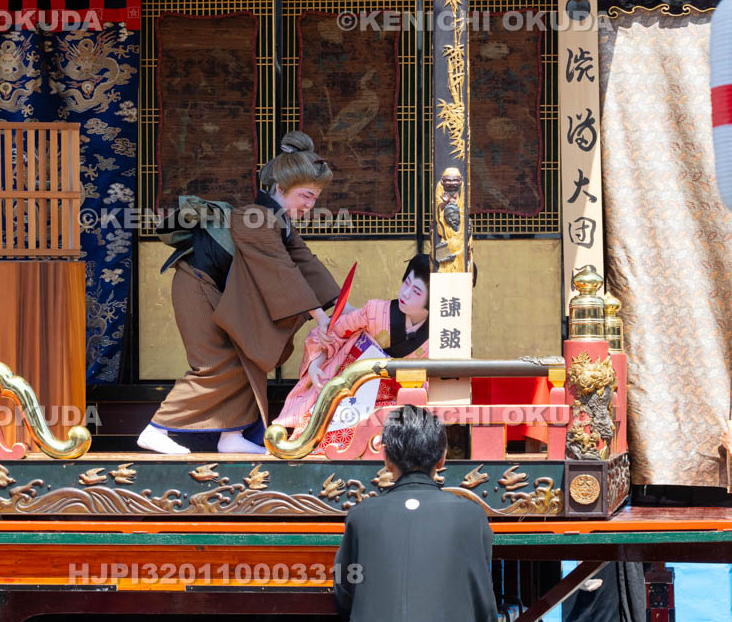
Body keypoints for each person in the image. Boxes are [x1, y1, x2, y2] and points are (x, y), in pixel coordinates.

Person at [138, 131, 340, 454]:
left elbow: (306, 264)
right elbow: (281, 271)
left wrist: (341, 307)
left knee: (245, 359)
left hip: (213, 289)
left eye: (315, 198)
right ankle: (155, 428)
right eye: (305, 195)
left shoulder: (281, 223)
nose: (310, 204)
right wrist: (319, 317)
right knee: (214, 366)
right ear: (280, 188)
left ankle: (230, 438)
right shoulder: (256, 218)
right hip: (197, 285)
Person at [334, 405, 496, 622]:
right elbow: (483, 596)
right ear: (442, 458)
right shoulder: (471, 515)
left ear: (387, 459)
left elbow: (344, 586)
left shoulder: (361, 516)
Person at [275, 253, 431, 434]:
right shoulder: (375, 311)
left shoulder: (435, 337)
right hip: (349, 391)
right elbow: (333, 332)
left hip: (392, 402)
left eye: (416, 291)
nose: (405, 293)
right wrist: (316, 363)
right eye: (406, 283)